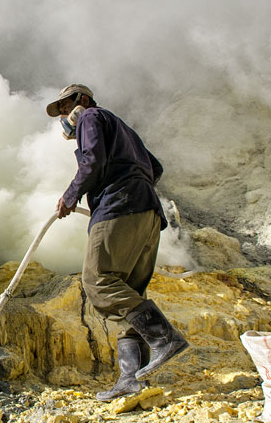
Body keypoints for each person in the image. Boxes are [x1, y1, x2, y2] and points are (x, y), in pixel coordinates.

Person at [46, 83, 189, 401]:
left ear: (82, 100)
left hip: (119, 210)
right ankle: (130, 379)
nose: (64, 116)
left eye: (66, 107)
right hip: (148, 213)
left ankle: (164, 338)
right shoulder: (124, 131)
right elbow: (157, 168)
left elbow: (93, 161)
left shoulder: (91, 117)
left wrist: (71, 196)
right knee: (129, 294)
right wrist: (134, 184)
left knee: (98, 281)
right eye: (60, 112)